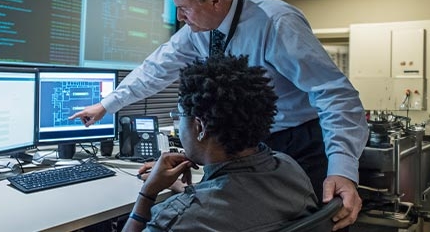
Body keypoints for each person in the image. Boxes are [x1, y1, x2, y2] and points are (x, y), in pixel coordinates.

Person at [69, 0, 368, 229]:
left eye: (184, 8)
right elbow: (155, 69)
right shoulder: (199, 31)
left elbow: (334, 94)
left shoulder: (276, 23)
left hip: (299, 141)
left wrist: (342, 168)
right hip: (253, 144)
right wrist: (106, 105)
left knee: (309, 223)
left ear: (214, 0)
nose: (180, 18)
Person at [124, 54, 318, 232]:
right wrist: (183, 189)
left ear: (200, 127)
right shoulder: (290, 169)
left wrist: (147, 193)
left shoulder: (177, 220)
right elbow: (241, 201)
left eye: (179, 116)